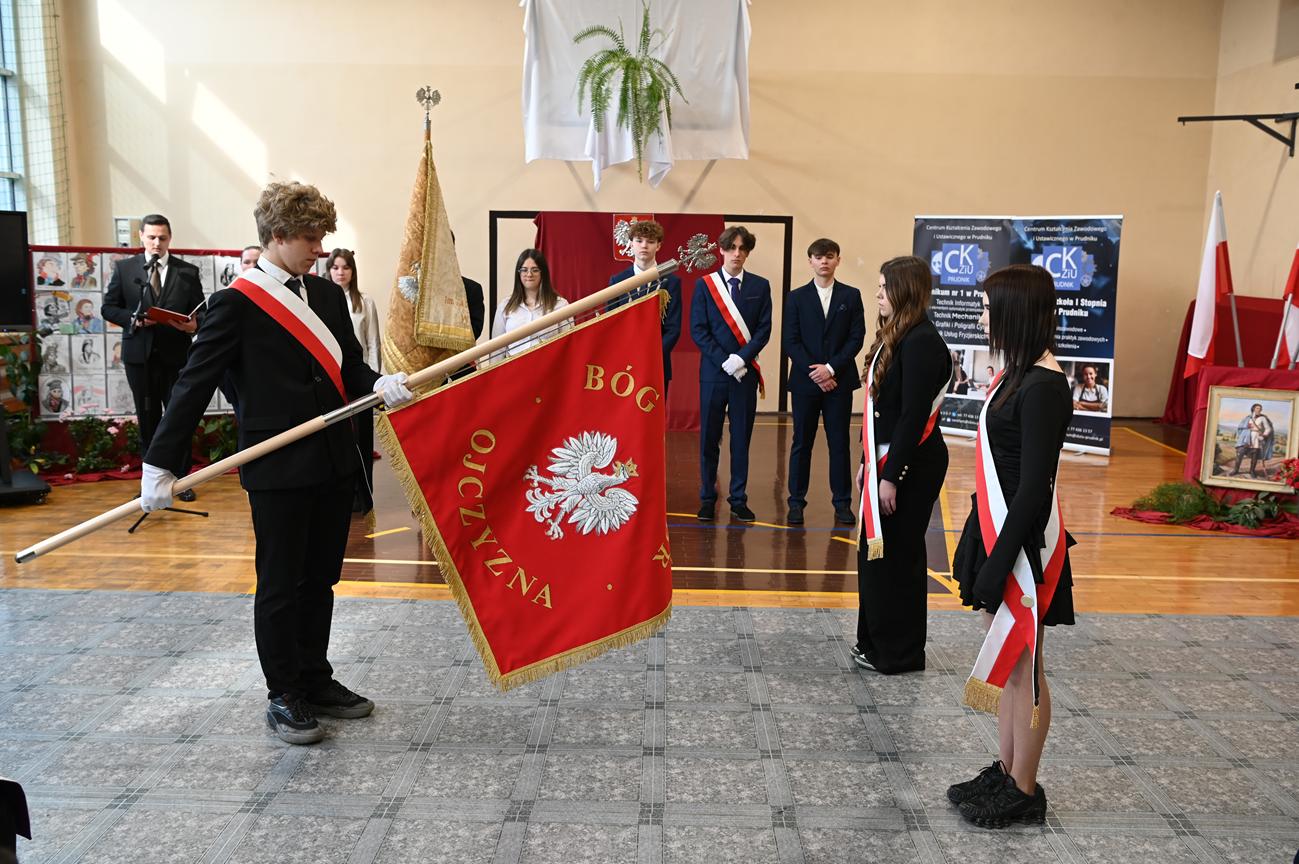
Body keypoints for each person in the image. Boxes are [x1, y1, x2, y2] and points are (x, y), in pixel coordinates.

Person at [139, 181, 414, 745]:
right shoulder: (234, 303)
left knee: (322, 579)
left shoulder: (329, 297)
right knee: (281, 584)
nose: (319, 249)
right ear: (279, 235)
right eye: (310, 238)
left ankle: (315, 678)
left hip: (334, 459)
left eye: (322, 237)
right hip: (279, 468)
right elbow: (194, 385)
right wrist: (159, 464)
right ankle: (283, 692)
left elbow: (349, 368)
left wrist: (379, 383)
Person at [946, 264, 1076, 829]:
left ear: (1014, 312)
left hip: (1023, 547)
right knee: (1008, 662)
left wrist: (999, 563)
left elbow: (1033, 489)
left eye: (987, 308)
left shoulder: (1044, 386)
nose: (981, 318)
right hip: (997, 531)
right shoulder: (1017, 375)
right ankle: (1006, 769)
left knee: (1026, 668)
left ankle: (1025, 788)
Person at [853, 256, 951, 675]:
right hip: (885, 461)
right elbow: (879, 410)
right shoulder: (898, 333)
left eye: (883, 287)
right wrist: (867, 462)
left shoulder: (922, 341)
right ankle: (874, 641)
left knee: (898, 558)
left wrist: (891, 476)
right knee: (876, 555)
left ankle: (899, 652)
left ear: (904, 290)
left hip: (911, 464)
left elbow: (913, 416)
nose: (877, 294)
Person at [101, 214, 205, 502]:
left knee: (178, 417)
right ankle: (151, 481)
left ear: (170, 238)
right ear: (141, 237)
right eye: (151, 237)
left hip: (176, 356)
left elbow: (202, 312)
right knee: (148, 419)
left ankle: (181, 480)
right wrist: (133, 319)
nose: (157, 243)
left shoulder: (187, 271)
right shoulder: (125, 269)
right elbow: (108, 308)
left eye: (162, 238)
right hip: (140, 358)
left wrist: (194, 325)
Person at [691, 226, 772, 523]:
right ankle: (707, 498)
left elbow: (764, 329)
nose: (737, 254)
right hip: (714, 374)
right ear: (722, 250)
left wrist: (741, 358)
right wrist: (724, 360)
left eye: (742, 249)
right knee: (709, 440)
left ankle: (738, 499)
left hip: (744, 374)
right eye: (732, 248)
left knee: (741, 439)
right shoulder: (705, 286)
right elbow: (698, 330)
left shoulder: (760, 286)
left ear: (747, 252)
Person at [782, 238, 865, 526]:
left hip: (839, 382)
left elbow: (856, 337)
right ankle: (796, 502)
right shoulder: (796, 297)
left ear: (837, 260)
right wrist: (816, 373)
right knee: (801, 443)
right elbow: (790, 341)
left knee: (839, 443)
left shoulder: (851, 296)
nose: (824, 261)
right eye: (818, 257)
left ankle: (842, 503)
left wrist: (830, 369)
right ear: (810, 261)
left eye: (829, 256)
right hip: (805, 383)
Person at [326, 248, 381, 512]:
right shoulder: (321, 301)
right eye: (335, 267)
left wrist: (373, 380)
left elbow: (373, 342)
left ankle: (364, 495)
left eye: (345, 267)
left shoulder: (364, 302)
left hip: (359, 377)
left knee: (362, 439)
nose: (340, 272)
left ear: (352, 271)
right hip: (333, 377)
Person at [605, 219, 682, 396]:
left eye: (650, 241)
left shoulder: (671, 281)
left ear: (659, 245)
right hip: (623, 362)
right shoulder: (617, 281)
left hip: (657, 362)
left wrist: (651, 355)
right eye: (639, 240)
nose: (644, 246)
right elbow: (610, 324)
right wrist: (626, 352)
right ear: (631, 244)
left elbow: (673, 328)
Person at [490, 249, 570, 360]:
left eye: (535, 270)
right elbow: (497, 350)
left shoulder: (560, 305)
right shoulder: (505, 305)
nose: (529, 274)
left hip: (549, 367)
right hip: (514, 368)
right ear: (518, 273)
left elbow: (568, 344)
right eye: (524, 270)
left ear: (543, 273)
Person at [1232, 403, 1274, 477]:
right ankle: (1235, 470)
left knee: (1255, 456)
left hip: (1256, 439)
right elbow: (1240, 427)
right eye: (1257, 408)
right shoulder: (1248, 418)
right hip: (1245, 439)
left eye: (1260, 409)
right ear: (1253, 409)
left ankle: (1252, 471)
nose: (1259, 410)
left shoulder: (1263, 418)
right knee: (1240, 453)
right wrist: (1246, 426)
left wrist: (1263, 436)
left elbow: (1268, 429)